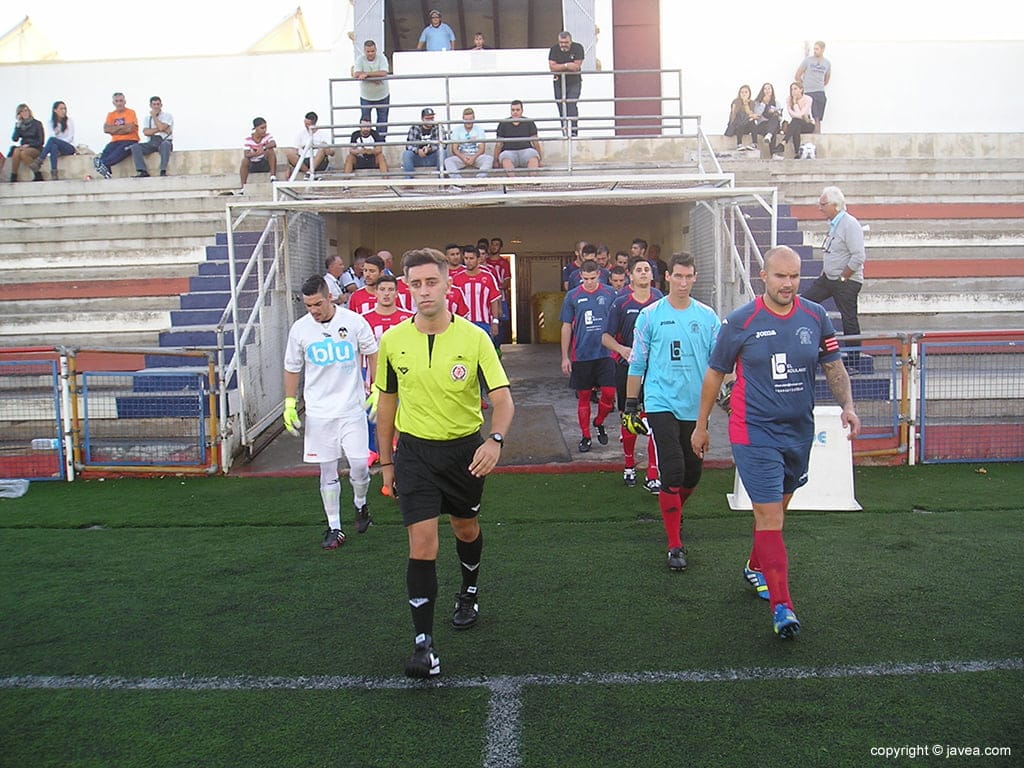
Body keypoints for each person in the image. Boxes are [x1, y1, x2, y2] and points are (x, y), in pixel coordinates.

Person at [690, 245, 861, 639]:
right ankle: (782, 607)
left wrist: (848, 405)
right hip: (753, 432)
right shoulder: (740, 321)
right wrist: (701, 426)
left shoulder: (816, 317)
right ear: (763, 276)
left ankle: (755, 566)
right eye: (780, 276)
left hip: (798, 432)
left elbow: (833, 367)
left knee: (778, 512)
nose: (788, 283)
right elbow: (715, 375)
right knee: (770, 517)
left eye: (795, 276)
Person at [374, 247, 514, 678]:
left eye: (431, 282)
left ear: (447, 284)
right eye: (414, 284)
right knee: (422, 544)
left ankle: (469, 590)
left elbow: (503, 401)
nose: (423, 291)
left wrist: (494, 440)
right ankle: (423, 645)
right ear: (406, 289)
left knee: (465, 528)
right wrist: (386, 462)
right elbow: (387, 401)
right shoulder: (393, 341)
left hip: (464, 453)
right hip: (414, 452)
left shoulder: (475, 339)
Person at [625, 254, 720, 570]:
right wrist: (630, 405)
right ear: (666, 277)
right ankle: (674, 545)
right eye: (677, 276)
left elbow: (719, 365)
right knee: (673, 469)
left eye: (688, 276)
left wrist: (728, 395)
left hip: (696, 406)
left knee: (693, 472)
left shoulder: (708, 317)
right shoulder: (650, 315)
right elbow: (638, 361)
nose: (682, 282)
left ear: (695, 278)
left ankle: (674, 513)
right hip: (660, 402)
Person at [283, 275, 380, 549]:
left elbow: (372, 353)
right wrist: (289, 403)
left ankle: (361, 505)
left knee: (360, 466)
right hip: (319, 413)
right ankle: (334, 527)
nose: (313, 310)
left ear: (329, 297)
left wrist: (377, 388)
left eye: (317, 304)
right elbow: (292, 367)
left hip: (352, 408)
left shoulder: (353, 321)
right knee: (328, 471)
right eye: (308, 306)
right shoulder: (300, 330)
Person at [602, 257, 664, 490]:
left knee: (654, 419)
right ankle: (629, 466)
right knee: (630, 418)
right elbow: (605, 337)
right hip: (627, 370)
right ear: (631, 275)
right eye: (639, 270)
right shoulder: (621, 303)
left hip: (654, 371)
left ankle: (653, 472)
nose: (643, 273)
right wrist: (622, 350)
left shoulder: (660, 300)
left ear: (652, 275)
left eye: (647, 270)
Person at [800, 186, 866, 369]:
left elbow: (858, 256)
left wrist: (844, 278)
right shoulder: (835, 224)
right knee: (804, 303)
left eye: (823, 204)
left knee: (849, 319)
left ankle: (854, 363)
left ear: (835, 205)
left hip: (846, 281)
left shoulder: (850, 224)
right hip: (830, 278)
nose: (819, 208)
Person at [560, 260, 617, 453]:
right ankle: (585, 436)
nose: (589, 282)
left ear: (599, 275)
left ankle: (599, 421)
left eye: (593, 278)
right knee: (583, 397)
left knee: (609, 394)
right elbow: (566, 326)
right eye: (585, 279)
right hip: (582, 354)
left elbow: (617, 320)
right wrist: (565, 357)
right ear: (580, 277)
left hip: (606, 353)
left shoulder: (610, 293)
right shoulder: (572, 296)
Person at [93, 92, 139, 179]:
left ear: (125, 101)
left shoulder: (130, 112)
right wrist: (123, 128)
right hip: (115, 141)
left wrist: (114, 129)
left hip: (130, 140)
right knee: (105, 153)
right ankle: (106, 172)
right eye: (117, 101)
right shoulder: (111, 115)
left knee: (116, 154)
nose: (119, 103)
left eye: (121, 101)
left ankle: (104, 165)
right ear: (113, 103)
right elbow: (106, 129)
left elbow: (130, 129)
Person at [548, 31, 585, 137]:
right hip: (558, 83)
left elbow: (576, 66)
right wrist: (567, 65)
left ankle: (573, 131)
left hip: (574, 82)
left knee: (571, 104)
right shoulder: (554, 49)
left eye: (566, 42)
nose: (563, 45)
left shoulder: (578, 48)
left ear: (571, 41)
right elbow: (552, 68)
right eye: (561, 42)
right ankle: (564, 131)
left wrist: (560, 67)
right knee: (561, 106)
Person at [353, 40, 390, 141]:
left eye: (372, 51)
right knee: (365, 122)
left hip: (382, 95)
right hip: (366, 96)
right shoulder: (360, 59)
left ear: (376, 50)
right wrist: (374, 79)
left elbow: (384, 73)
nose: (370, 54)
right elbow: (356, 74)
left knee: (382, 122)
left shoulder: (382, 58)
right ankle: (365, 142)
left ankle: (380, 143)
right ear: (364, 51)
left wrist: (367, 75)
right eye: (368, 51)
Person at [493, 100, 542, 175]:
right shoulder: (503, 123)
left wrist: (540, 159)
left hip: (526, 151)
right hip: (509, 152)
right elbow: (499, 144)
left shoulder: (529, 122)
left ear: (522, 111)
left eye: (517, 110)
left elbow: (535, 142)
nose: (515, 112)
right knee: (505, 157)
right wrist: (495, 161)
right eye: (513, 110)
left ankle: (533, 180)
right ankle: (513, 181)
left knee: (533, 155)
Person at [444, 107, 494, 178]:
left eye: (470, 120)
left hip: (476, 156)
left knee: (489, 159)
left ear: (474, 119)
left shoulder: (479, 130)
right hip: (462, 156)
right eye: (466, 120)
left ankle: (479, 180)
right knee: (448, 161)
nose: (468, 122)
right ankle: (459, 181)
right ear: (463, 119)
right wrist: (463, 158)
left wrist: (473, 158)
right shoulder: (457, 130)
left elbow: (482, 149)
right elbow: (454, 149)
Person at [130, 96, 173, 178]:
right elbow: (146, 132)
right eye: (154, 104)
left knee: (166, 145)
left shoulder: (167, 116)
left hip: (164, 142)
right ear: (151, 105)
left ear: (161, 105)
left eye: (158, 104)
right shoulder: (147, 119)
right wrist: (161, 129)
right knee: (135, 147)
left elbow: (161, 128)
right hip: (151, 142)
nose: (156, 106)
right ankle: (142, 171)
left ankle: (163, 170)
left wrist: (154, 117)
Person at [361, 273, 414, 340]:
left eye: (391, 289)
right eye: (382, 289)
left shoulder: (410, 318)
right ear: (376, 293)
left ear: (396, 293)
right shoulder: (363, 319)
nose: (386, 293)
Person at [32, 101, 75, 180]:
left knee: (53, 141)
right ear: (55, 110)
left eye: (64, 109)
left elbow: (70, 138)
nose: (64, 111)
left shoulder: (69, 121)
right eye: (61, 109)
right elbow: (52, 136)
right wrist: (57, 133)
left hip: (68, 147)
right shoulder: (51, 122)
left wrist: (59, 141)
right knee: (53, 146)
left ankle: (40, 160)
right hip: (57, 147)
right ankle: (54, 172)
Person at [795, 41, 831, 134]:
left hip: (820, 91)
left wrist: (819, 84)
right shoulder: (808, 60)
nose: (815, 51)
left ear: (823, 50)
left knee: (818, 116)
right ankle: (807, 133)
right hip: (808, 91)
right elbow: (797, 75)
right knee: (809, 114)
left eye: (817, 49)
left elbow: (826, 79)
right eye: (814, 49)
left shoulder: (827, 63)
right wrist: (804, 85)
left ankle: (817, 134)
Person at [286, 111, 334, 179]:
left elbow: (332, 152)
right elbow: (295, 150)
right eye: (305, 124)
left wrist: (326, 149)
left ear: (314, 123)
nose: (306, 126)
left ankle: (310, 172)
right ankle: (308, 173)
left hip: (318, 160)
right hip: (304, 160)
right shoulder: (301, 134)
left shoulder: (323, 135)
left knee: (323, 145)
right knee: (289, 152)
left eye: (308, 124)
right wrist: (288, 167)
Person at [401, 107, 444, 178]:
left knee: (442, 152)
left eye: (432, 118)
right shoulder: (415, 128)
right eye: (427, 119)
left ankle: (441, 178)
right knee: (407, 154)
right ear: (422, 118)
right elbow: (409, 145)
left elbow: (443, 145)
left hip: (432, 158)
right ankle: (409, 182)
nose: (430, 121)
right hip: (418, 158)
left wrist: (429, 149)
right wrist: (418, 151)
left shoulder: (438, 127)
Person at [8, 104, 44, 182]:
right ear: (19, 114)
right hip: (24, 147)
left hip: (35, 147)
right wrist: (17, 126)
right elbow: (15, 139)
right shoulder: (20, 125)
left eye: (26, 110)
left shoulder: (37, 123)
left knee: (23, 153)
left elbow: (41, 141)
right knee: (16, 151)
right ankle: (13, 175)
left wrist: (29, 145)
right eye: (22, 112)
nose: (25, 113)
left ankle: (37, 173)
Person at [240, 117, 277, 186]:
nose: (264, 130)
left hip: (264, 163)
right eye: (262, 128)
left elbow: (273, 143)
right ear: (256, 128)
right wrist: (256, 154)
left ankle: (273, 177)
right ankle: (243, 186)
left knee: (270, 151)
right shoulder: (248, 139)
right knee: (244, 160)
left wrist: (263, 148)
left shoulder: (267, 136)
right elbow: (246, 154)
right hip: (253, 164)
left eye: (265, 128)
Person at [750, 83, 783, 157]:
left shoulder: (776, 103)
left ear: (772, 91)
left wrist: (775, 112)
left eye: (769, 88)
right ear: (762, 91)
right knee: (772, 131)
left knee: (774, 120)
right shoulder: (757, 102)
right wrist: (763, 103)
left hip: (774, 124)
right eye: (765, 89)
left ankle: (769, 135)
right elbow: (757, 115)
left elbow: (780, 118)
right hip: (762, 125)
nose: (767, 90)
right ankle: (773, 154)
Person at [784, 82, 815, 159]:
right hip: (797, 124)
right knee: (796, 125)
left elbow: (801, 115)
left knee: (795, 121)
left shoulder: (808, 99)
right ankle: (797, 152)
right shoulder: (789, 99)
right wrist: (793, 102)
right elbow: (792, 114)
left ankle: (784, 141)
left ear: (801, 90)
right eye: (792, 89)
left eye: (795, 89)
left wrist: (795, 104)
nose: (793, 91)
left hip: (808, 124)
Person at [725, 85, 756, 151]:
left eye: (746, 92)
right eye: (742, 92)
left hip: (746, 126)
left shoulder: (752, 103)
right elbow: (733, 115)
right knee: (740, 117)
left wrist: (746, 104)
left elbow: (751, 114)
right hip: (736, 126)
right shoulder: (735, 102)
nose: (744, 94)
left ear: (749, 93)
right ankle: (739, 144)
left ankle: (754, 143)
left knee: (752, 122)